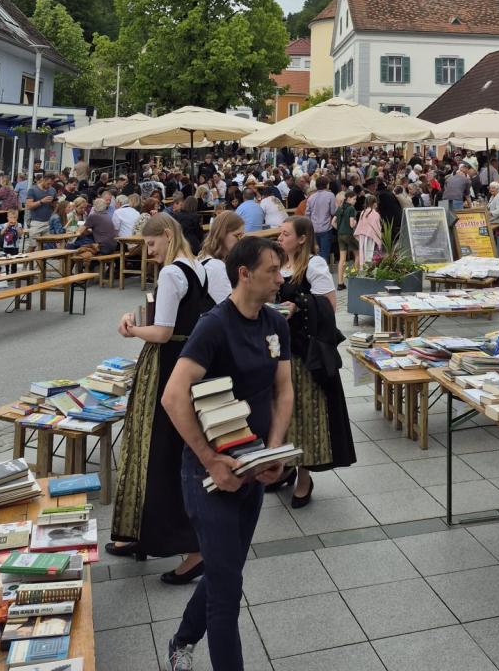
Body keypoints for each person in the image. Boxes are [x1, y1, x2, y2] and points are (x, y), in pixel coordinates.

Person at [161, 236, 294, 671]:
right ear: (244, 273)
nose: (280, 278)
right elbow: (173, 396)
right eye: (272, 270)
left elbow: (283, 388)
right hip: (209, 474)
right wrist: (210, 459)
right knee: (226, 590)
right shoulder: (214, 325)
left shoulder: (275, 323)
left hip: (252, 468)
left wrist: (274, 448)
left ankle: (181, 640)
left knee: (227, 570)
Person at [107, 213, 223, 585]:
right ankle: (143, 533)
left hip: (167, 367)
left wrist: (131, 328)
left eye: (151, 244)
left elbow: (162, 332)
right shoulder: (197, 267)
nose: (149, 251)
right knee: (164, 451)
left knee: (156, 452)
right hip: (185, 363)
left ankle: (188, 546)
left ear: (168, 235)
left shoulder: (173, 272)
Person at [274, 216, 356, 505]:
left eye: (285, 234)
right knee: (281, 415)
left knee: (305, 416)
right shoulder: (277, 265)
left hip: (304, 353)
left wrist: (300, 305)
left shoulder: (314, 266)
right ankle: (283, 465)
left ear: (302, 238)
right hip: (277, 353)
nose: (280, 238)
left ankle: (303, 477)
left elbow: (330, 307)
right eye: (280, 233)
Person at [196, 210, 243, 302]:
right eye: (237, 236)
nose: (240, 241)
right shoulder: (214, 266)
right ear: (222, 234)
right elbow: (233, 307)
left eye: (242, 236)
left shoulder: (206, 258)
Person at [304, 176, 337, 263]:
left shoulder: (311, 197)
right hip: (326, 227)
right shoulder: (330, 195)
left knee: (315, 252)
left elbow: (307, 214)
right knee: (325, 253)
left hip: (313, 228)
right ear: (326, 185)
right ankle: (323, 271)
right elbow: (333, 211)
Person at [334, 187, 358, 289]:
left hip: (340, 235)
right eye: (354, 199)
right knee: (358, 254)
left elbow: (332, 222)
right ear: (348, 198)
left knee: (342, 259)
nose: (355, 201)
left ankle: (340, 283)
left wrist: (339, 228)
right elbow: (351, 224)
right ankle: (354, 278)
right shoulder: (351, 209)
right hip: (349, 235)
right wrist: (356, 222)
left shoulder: (339, 208)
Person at [25, 174, 56, 245]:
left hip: (48, 221)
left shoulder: (52, 190)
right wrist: (41, 201)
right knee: (33, 246)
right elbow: (28, 206)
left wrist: (54, 205)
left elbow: (55, 205)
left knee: (47, 247)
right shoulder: (33, 190)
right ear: (43, 180)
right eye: (48, 183)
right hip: (36, 222)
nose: (49, 186)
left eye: (51, 184)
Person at [355, 193, 382, 268]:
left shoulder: (363, 212)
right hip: (371, 238)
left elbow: (360, 225)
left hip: (362, 237)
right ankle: (370, 271)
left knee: (363, 254)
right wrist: (379, 238)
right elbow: (377, 228)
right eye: (376, 202)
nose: (377, 204)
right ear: (373, 203)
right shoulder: (375, 214)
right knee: (370, 255)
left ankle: (363, 270)